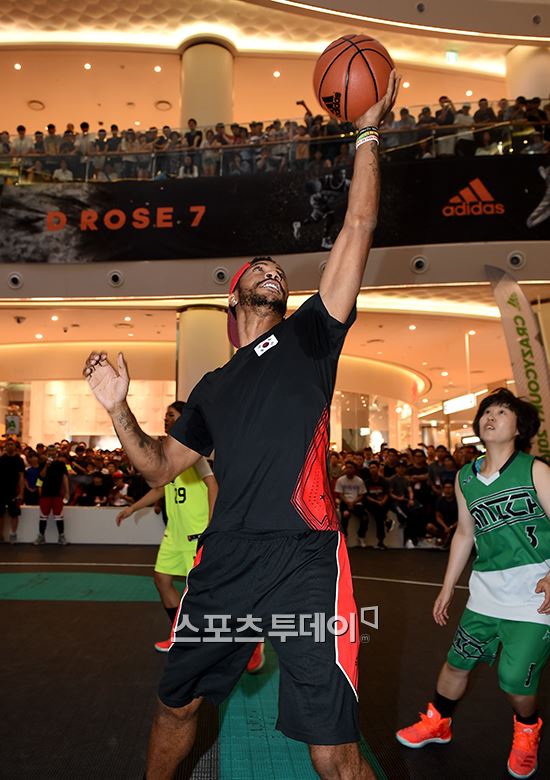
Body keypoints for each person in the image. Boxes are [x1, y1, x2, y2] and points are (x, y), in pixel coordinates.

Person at [84, 71, 399, 780]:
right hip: (225, 561)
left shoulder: (313, 333)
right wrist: (117, 409)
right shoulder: (212, 388)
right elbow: (158, 466)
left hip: (306, 559)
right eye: (258, 268)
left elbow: (358, 227)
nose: (272, 269)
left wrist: (367, 132)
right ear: (235, 300)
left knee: (332, 750)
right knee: (176, 706)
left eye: (277, 269)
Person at [396, 388, 550, 779]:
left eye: (502, 412)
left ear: (520, 428)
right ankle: (438, 723)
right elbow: (465, 534)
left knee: (514, 681)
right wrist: (448, 586)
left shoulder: (535, 470)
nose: (491, 417)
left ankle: (528, 729)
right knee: (456, 663)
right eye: (487, 412)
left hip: (534, 596)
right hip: (484, 592)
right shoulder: (466, 476)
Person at [116, 402, 217, 653]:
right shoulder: (167, 456)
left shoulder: (193, 452)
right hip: (174, 533)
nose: (166, 419)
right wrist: (132, 508)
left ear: (183, 419)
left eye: (171, 415)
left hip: (196, 533)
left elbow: (213, 485)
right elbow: (160, 489)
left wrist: (211, 525)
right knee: (161, 580)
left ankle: (235, 639)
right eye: (165, 415)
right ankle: (180, 635)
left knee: (202, 593)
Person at [34, 457, 70, 545]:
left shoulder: (61, 464)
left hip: (57, 494)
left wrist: (67, 492)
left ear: (56, 452)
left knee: (59, 516)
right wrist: (46, 466)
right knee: (43, 517)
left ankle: (61, 537)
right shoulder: (43, 464)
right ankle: (41, 537)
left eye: (53, 450)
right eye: (50, 451)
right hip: (45, 495)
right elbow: (40, 477)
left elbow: (65, 478)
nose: (51, 452)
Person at [0, 438, 25, 543]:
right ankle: (0, 535)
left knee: (14, 514)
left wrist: (21, 493)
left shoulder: (19, 460)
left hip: (14, 491)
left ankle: (13, 534)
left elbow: (21, 477)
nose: (9, 446)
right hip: (1, 491)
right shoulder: (1, 459)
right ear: (5, 447)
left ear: (15, 446)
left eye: (11, 444)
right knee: (0, 514)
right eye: (8, 444)